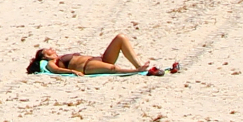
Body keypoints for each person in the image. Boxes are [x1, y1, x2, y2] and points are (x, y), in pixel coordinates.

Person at [26, 34, 175, 75]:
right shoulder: (51, 63)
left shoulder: (58, 57)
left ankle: (139, 66)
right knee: (111, 68)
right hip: (86, 67)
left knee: (120, 38)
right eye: (48, 51)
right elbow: (55, 70)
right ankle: (136, 71)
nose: (52, 49)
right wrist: (71, 71)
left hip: (97, 59)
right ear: (45, 56)